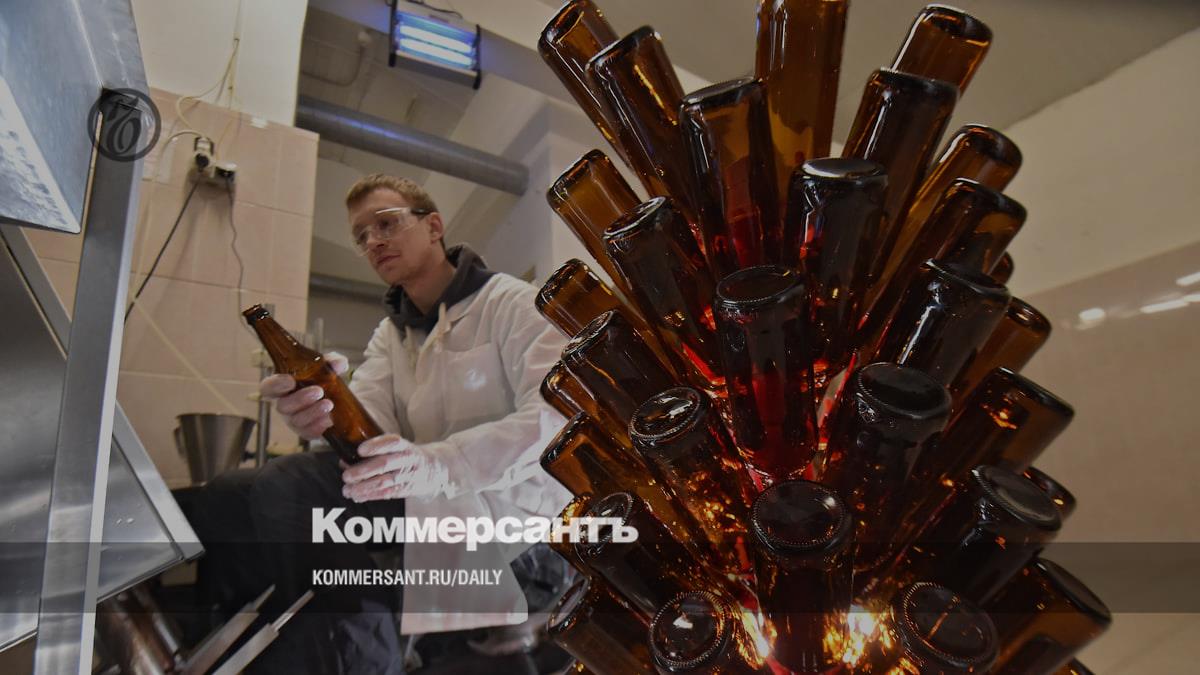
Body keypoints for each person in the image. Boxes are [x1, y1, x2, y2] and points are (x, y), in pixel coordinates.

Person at [193, 175, 571, 674]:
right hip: (427, 504)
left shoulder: (514, 303)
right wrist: (319, 412)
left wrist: (439, 465)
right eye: (361, 235)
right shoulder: (391, 335)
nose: (373, 241)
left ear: (433, 226)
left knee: (290, 487)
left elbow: (556, 417)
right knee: (225, 495)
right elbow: (368, 430)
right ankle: (249, 640)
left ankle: (365, 658)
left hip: (521, 527)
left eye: (386, 224)